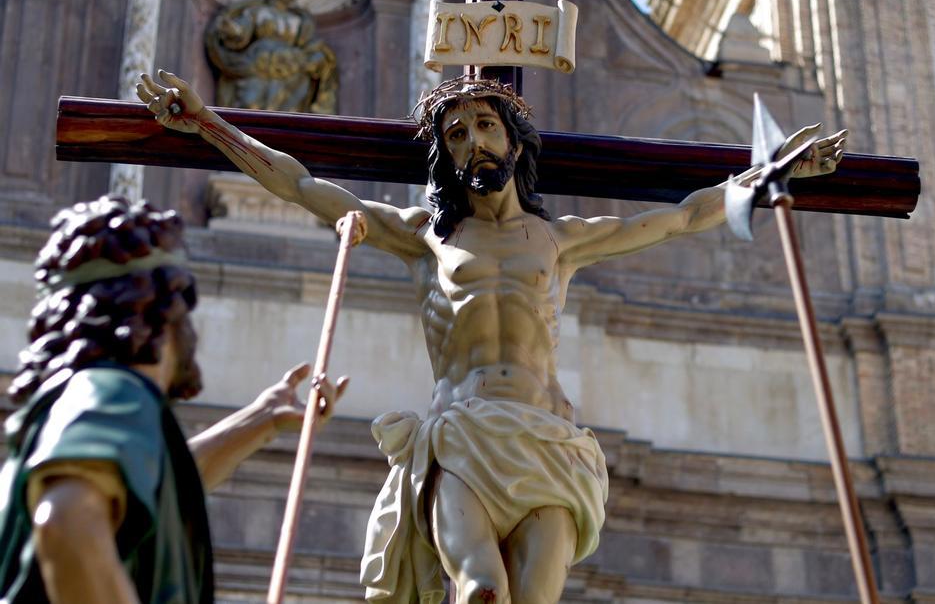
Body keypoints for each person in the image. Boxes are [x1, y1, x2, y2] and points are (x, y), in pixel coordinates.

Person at [136, 70, 844, 604]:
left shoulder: (559, 241)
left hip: (546, 443)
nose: (474, 140)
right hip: (464, 438)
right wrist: (207, 125)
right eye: (456, 133)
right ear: (445, 156)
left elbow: (684, 217)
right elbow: (301, 184)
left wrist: (769, 173)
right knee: (478, 590)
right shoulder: (424, 238)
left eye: (484, 124)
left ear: (512, 137)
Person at [0, 196, 350, 603]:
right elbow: (66, 523)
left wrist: (262, 419)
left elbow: (162, 490)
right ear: (160, 309)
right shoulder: (114, 390)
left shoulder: (69, 412)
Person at [205, 0, 338, 113]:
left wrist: (316, 56)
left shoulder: (299, 20)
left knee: (288, 111)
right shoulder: (257, 11)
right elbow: (243, 29)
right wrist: (234, 30)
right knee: (248, 104)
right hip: (258, 63)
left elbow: (308, 45)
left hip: (290, 67)